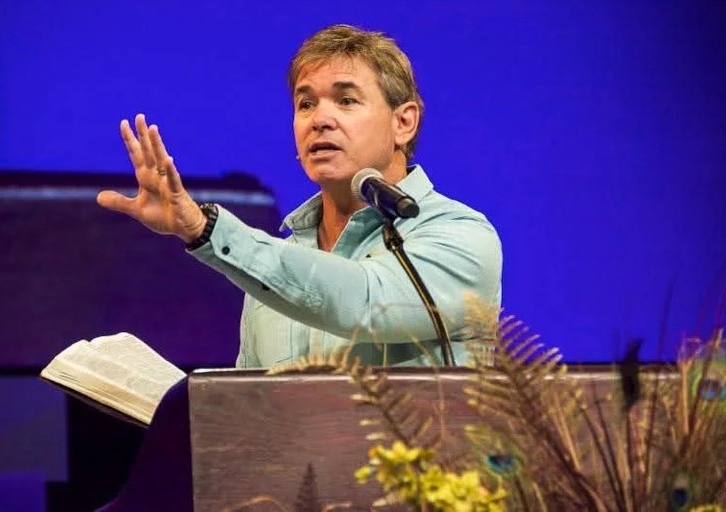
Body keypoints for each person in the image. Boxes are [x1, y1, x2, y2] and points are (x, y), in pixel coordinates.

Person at [97, 24, 502, 368]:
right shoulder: (274, 268)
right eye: (305, 104)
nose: (320, 120)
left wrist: (205, 229)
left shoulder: (461, 236)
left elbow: (366, 301)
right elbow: (250, 409)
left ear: (403, 122)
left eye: (346, 100)